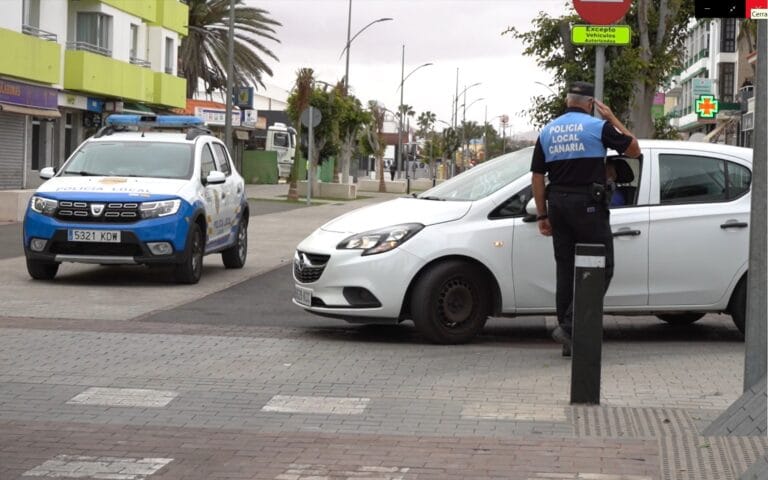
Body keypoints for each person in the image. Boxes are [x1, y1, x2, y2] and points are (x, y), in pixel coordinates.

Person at [530, 81, 640, 357]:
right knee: (602, 265)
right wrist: (612, 118)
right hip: (588, 206)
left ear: (568, 102)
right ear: (590, 104)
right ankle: (569, 327)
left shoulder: (548, 131)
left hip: (557, 205)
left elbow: (537, 176)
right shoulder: (597, 127)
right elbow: (634, 149)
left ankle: (570, 338)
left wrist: (542, 214)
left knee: (565, 270)